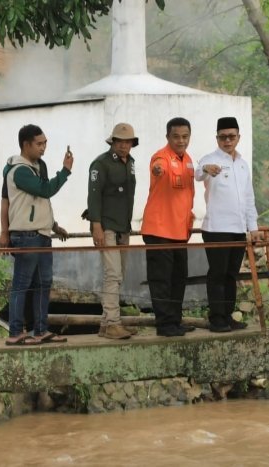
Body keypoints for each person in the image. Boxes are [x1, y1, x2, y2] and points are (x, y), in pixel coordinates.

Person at [3, 124, 71, 345]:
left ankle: (40, 330)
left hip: (41, 233)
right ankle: (15, 332)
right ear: (26, 145)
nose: (43, 148)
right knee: (22, 284)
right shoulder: (19, 171)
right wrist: (65, 171)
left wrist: (54, 225)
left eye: (45, 143)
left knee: (44, 283)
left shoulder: (38, 166)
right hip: (26, 234)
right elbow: (45, 190)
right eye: (39, 144)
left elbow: (41, 201)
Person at [195, 117, 258, 332]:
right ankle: (216, 318)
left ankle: (228, 315)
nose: (227, 141)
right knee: (217, 274)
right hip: (216, 229)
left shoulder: (242, 165)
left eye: (231, 136)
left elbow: (249, 197)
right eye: (223, 137)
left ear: (238, 137)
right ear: (217, 138)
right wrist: (206, 169)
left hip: (238, 228)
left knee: (231, 275)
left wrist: (253, 227)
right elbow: (197, 173)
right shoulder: (209, 160)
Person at [141, 117, 196, 337]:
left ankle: (175, 320)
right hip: (159, 229)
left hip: (180, 230)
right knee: (161, 280)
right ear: (167, 137)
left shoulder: (188, 160)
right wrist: (157, 171)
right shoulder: (161, 157)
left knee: (179, 278)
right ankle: (164, 324)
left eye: (185, 136)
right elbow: (158, 169)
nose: (181, 141)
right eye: (176, 137)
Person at [87, 123, 139, 340]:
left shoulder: (131, 163)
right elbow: (93, 195)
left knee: (119, 275)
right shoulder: (101, 163)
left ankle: (105, 323)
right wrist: (96, 225)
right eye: (120, 141)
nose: (124, 146)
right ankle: (113, 323)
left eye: (128, 142)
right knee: (113, 274)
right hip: (106, 225)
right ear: (113, 142)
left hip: (123, 226)